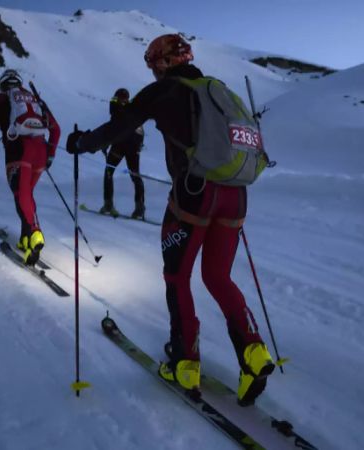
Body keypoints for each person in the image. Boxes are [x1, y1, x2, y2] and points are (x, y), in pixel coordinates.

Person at [65, 34, 274, 405]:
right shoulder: (218, 89)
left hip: (195, 193)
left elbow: (118, 129)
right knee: (218, 276)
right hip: (236, 195)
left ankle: (185, 363)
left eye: (152, 64)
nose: (152, 71)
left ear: (162, 62)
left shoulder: (164, 91)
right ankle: (254, 353)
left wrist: (81, 142)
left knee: (177, 276)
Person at [0, 69, 60, 265]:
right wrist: (51, 154)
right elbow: (56, 130)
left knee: (21, 194)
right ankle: (26, 239)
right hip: (40, 152)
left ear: (3, 85)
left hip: (18, 151)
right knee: (25, 195)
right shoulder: (35, 100)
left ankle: (35, 233)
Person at [100, 88, 146, 219]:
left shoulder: (116, 109)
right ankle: (140, 208)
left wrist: (105, 144)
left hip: (120, 145)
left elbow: (111, 129)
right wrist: (138, 146)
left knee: (109, 172)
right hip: (132, 146)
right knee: (135, 175)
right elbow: (140, 131)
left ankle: (108, 204)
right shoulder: (132, 110)